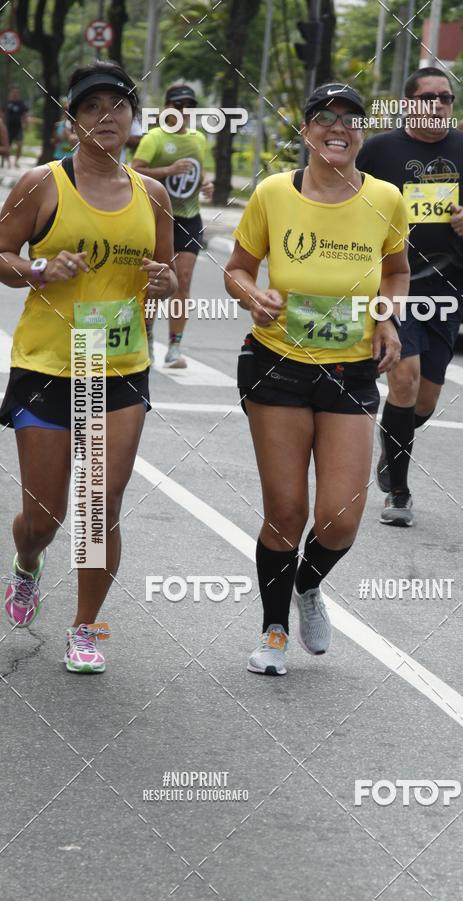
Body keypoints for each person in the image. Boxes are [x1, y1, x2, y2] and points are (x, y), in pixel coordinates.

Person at [224, 83, 409, 676]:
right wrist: (255, 296)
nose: (339, 127)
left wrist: (386, 316)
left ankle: (308, 586)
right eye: (325, 117)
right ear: (305, 129)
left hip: (350, 371)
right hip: (276, 364)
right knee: (285, 509)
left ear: (362, 132)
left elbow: (397, 271)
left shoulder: (386, 198)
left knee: (340, 517)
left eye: (351, 119)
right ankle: (273, 630)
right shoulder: (274, 193)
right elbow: (236, 269)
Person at [0, 60, 177, 673]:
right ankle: (26, 565)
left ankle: (85, 627)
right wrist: (42, 270)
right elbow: (0, 255)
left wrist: (162, 282)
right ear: (73, 119)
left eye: (119, 105)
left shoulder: (152, 195)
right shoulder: (41, 183)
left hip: (119, 367)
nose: (108, 116)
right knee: (44, 517)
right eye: (93, 106)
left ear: (132, 118)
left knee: (102, 503)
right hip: (48, 364)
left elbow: (167, 280)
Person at [357, 66, 463, 526]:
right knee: (403, 380)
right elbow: (346, 199)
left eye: (446, 98)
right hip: (394, 282)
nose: (439, 105)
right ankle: (398, 494)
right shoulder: (380, 151)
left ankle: (392, 447)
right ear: (409, 103)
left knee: (424, 400)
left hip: (449, 287)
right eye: (429, 98)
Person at [133, 83, 213, 368]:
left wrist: (206, 184)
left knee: (185, 281)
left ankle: (175, 347)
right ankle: (148, 335)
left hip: (189, 217)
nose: (184, 111)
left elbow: (199, 171)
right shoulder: (154, 137)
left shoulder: (199, 139)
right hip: (158, 217)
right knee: (157, 281)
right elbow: (135, 171)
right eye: (178, 106)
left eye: (189, 106)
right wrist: (166, 170)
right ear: (167, 108)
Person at [5, 86, 28, 168]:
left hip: (18, 128)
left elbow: (25, 114)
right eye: (13, 92)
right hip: (8, 128)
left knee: (19, 145)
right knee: (7, 146)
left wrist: (26, 124)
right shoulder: (7, 103)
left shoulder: (21, 103)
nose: (15, 94)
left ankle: (16, 161)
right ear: (11, 93)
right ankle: (8, 162)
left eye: (16, 92)